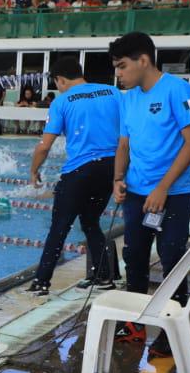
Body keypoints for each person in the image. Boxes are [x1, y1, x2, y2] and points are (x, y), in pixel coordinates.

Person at [110, 31, 190, 356]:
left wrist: (163, 187)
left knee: (172, 256)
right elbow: (124, 144)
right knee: (134, 256)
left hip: (174, 193)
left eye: (122, 66)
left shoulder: (178, 90)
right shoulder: (128, 97)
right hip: (136, 192)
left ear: (143, 60)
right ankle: (135, 326)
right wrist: (117, 179)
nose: (118, 74)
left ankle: (170, 329)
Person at [27, 58, 121, 296]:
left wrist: (34, 170)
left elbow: (44, 146)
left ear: (60, 79)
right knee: (90, 222)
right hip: (110, 168)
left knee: (59, 227)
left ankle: (41, 283)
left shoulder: (62, 101)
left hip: (80, 170)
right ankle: (103, 277)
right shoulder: (113, 92)